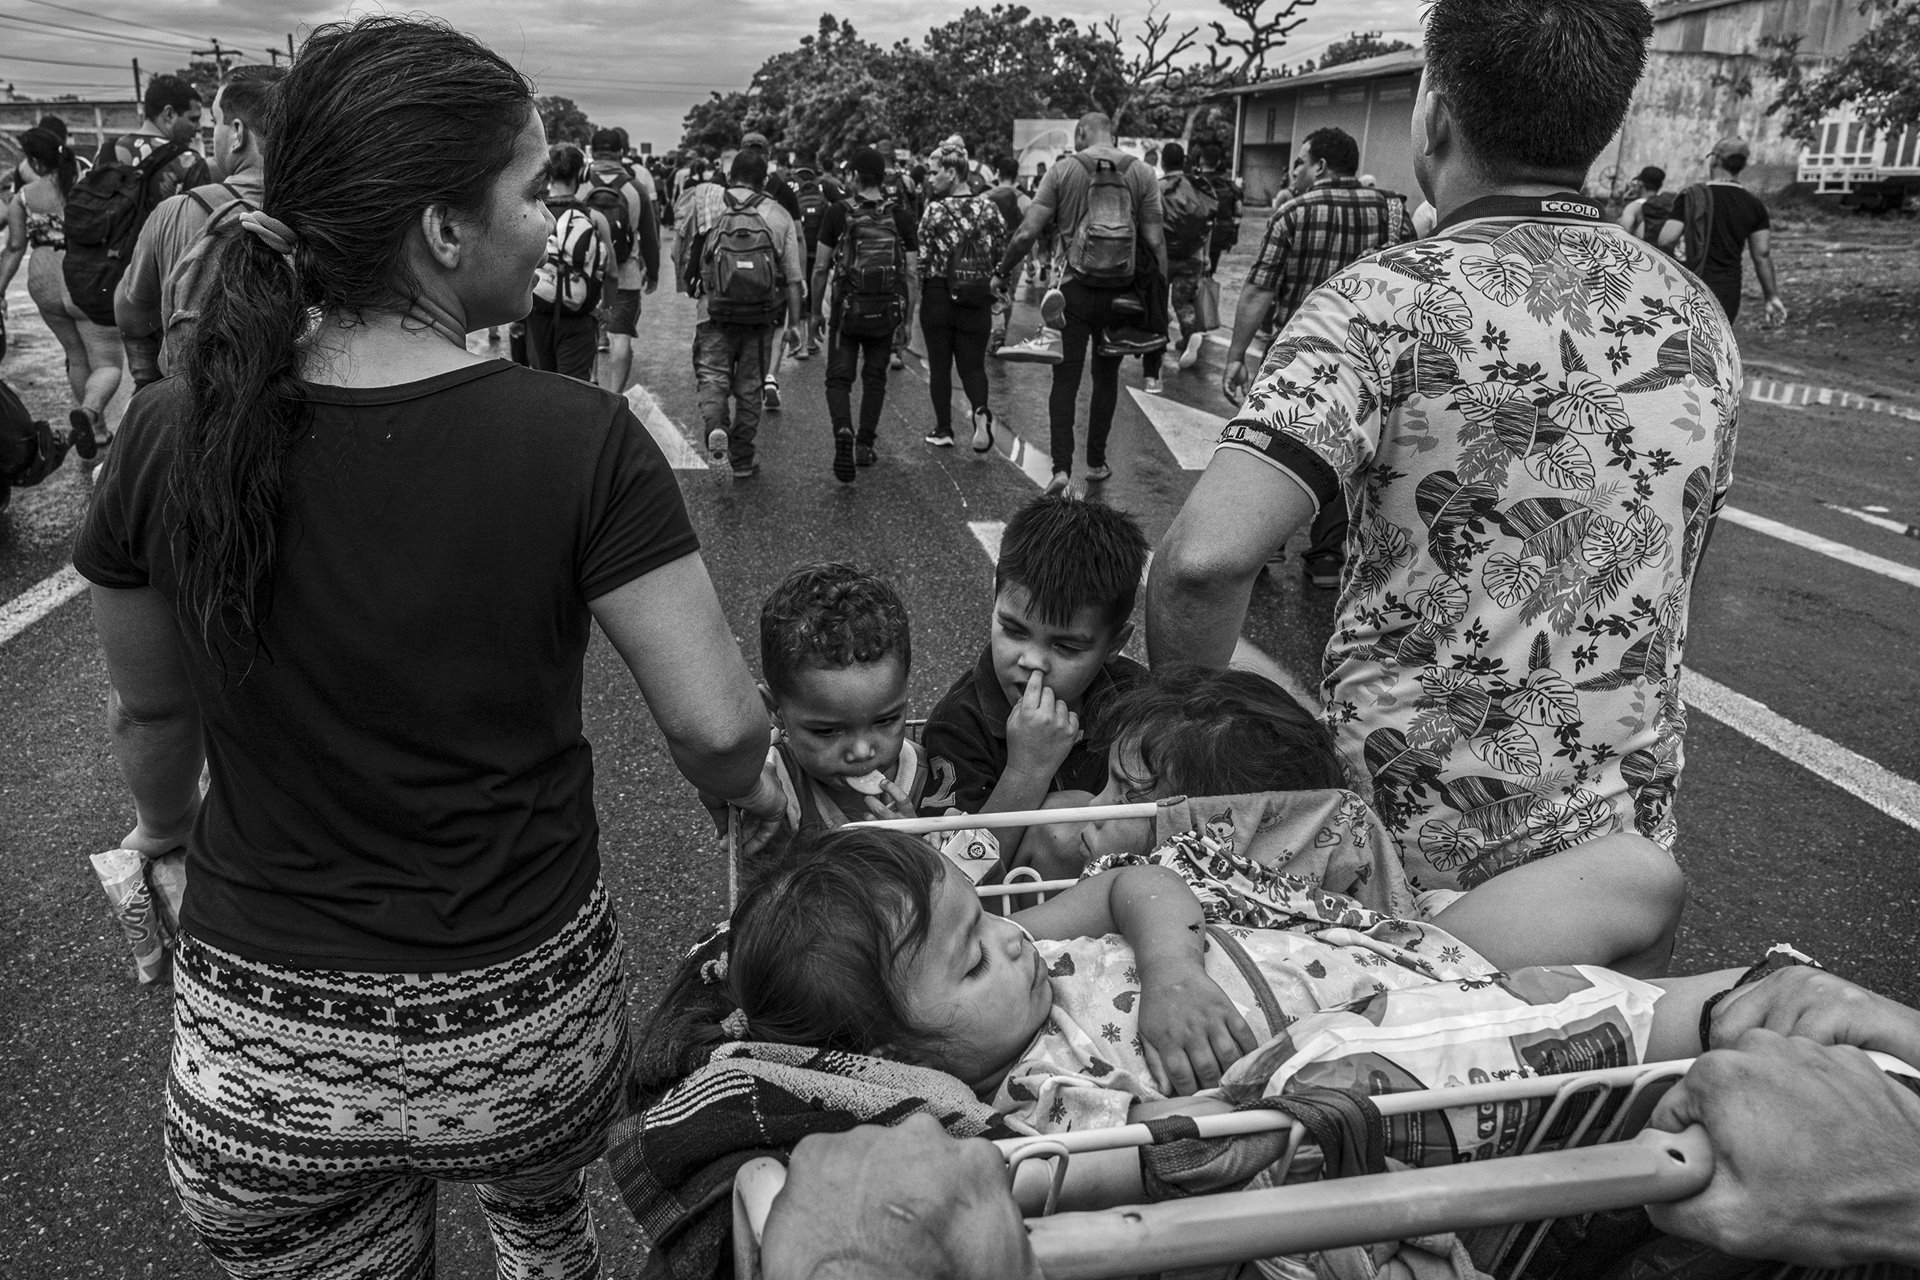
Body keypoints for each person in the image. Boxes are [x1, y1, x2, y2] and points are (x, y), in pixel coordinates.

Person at [70, 18, 784, 1275]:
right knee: (540, 1215)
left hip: (264, 1053)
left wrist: (170, 840)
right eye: (531, 186)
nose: (549, 216)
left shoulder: (173, 429)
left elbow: (149, 719)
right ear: (443, 233)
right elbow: (718, 727)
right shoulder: (578, 439)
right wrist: (759, 796)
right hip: (521, 1028)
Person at [1148, 0, 1743, 895]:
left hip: (1404, 847)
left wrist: (1196, 761)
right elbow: (1675, 560)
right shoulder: (1695, 315)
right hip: (1617, 857)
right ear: (1605, 124)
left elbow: (1199, 563)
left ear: (1434, 113)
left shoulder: (1384, 303)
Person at [1221, 126, 1413, 589]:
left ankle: (1269, 546)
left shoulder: (1294, 212)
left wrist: (1236, 355)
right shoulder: (1392, 211)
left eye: (1301, 163)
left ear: (1321, 166)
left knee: (1280, 450)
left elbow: (1260, 289)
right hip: (1370, 361)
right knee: (1343, 449)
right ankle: (1327, 557)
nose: (1296, 172)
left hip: (1297, 358)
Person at [918, 493, 1149, 871]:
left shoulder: (1133, 701)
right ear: (994, 607)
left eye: (1066, 647)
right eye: (1013, 630)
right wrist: (1027, 770)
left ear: (1115, 644)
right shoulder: (960, 723)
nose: (1032, 662)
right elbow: (953, 873)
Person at [994, 112, 1167, 494]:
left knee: (1065, 377)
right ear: (1112, 132)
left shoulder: (1062, 171)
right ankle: (1097, 461)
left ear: (1082, 133)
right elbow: (1155, 242)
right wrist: (1159, 294)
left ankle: (1059, 467)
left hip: (1071, 291)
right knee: (1106, 377)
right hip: (1120, 294)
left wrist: (1002, 270)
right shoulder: (1141, 173)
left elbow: (1026, 233)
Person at [116, 67, 284, 389]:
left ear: (237, 133)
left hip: (197, 403)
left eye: (213, 123)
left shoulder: (175, 213)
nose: (208, 134)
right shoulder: (329, 211)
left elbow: (130, 318)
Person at [752, 562, 927, 853]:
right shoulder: (775, 791)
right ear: (775, 710)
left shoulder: (932, 778)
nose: (862, 751)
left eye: (886, 720)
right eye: (828, 730)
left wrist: (919, 848)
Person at [0, 126, 124, 459]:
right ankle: (91, 412)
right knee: (108, 362)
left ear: (35, 163)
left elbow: (13, 248)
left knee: (77, 356)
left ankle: (96, 433)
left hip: (43, 282)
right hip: (84, 278)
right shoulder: (87, 185)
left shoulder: (23, 197)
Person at [683, 147, 805, 479]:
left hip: (713, 311)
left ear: (730, 174)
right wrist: (795, 325)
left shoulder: (708, 204)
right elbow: (793, 278)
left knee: (712, 378)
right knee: (750, 388)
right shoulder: (777, 214)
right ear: (763, 180)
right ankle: (742, 459)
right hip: (761, 317)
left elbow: (685, 252)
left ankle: (716, 427)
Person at [812, 147, 919, 483]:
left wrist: (815, 312)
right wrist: (907, 319)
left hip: (847, 310)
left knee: (838, 378)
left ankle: (843, 428)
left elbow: (819, 267)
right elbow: (913, 272)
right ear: (882, 177)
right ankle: (864, 445)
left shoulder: (837, 213)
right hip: (886, 310)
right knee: (875, 378)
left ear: (854, 177)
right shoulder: (901, 216)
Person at [918, 146, 1008, 452]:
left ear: (952, 173)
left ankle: (944, 430)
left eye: (934, 172)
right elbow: (1001, 249)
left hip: (939, 294)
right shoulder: (989, 208)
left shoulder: (934, 210)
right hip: (976, 294)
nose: (930, 179)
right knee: (973, 366)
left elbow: (922, 257)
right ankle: (980, 411)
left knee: (940, 366)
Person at [1658, 138, 1788, 325]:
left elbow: (1666, 240)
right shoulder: (1754, 204)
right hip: (1728, 292)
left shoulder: (1692, 196)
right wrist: (1771, 296)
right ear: (1741, 165)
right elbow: (1762, 254)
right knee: (1717, 348)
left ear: (1715, 159)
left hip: (1689, 287)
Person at [525, 142, 618, 381]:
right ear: (582, 174)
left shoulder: (531, 214)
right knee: (576, 390)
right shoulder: (594, 217)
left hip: (537, 314)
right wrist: (606, 309)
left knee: (542, 390)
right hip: (580, 318)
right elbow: (612, 273)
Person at [584, 127, 660, 396]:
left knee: (588, 328)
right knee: (620, 335)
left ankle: (590, 381)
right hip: (625, 272)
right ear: (621, 153)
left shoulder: (580, 185)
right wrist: (653, 272)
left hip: (584, 274)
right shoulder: (635, 188)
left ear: (593, 152)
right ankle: (615, 395)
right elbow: (650, 236)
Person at [1140, 141, 1216, 393]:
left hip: (1162, 257)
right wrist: (1205, 255)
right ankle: (1191, 332)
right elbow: (1207, 223)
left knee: (1159, 305)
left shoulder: (1157, 187)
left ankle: (1155, 363)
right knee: (1183, 302)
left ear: (1163, 162)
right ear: (1182, 160)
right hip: (1192, 256)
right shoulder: (1195, 187)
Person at [741, 133, 804, 408]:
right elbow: (798, 235)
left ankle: (741, 376)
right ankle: (770, 374)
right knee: (777, 324)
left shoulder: (727, 186)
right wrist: (797, 274)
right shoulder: (783, 188)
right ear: (767, 155)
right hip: (773, 273)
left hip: (734, 274)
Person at [105, 75, 211, 206]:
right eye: (193, 119)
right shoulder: (188, 162)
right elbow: (201, 223)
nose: (198, 127)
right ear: (169, 114)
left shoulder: (106, 151)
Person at [982, 155, 1028, 354]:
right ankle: (1001, 333)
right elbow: (1028, 232)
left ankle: (994, 331)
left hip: (989, 254)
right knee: (1008, 294)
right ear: (1017, 174)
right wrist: (1033, 259)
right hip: (1015, 255)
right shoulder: (1025, 200)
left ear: (997, 172)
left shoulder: (984, 197)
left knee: (991, 293)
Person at [1206, 158, 1242, 276]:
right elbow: (1239, 210)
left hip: (1202, 230)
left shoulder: (1202, 182)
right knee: (1211, 267)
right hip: (1222, 231)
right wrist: (1234, 233)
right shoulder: (1230, 187)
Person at [1616, 164, 1669, 243]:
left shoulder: (1635, 206)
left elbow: (1624, 230)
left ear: (1640, 183)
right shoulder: (1665, 205)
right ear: (1660, 185)